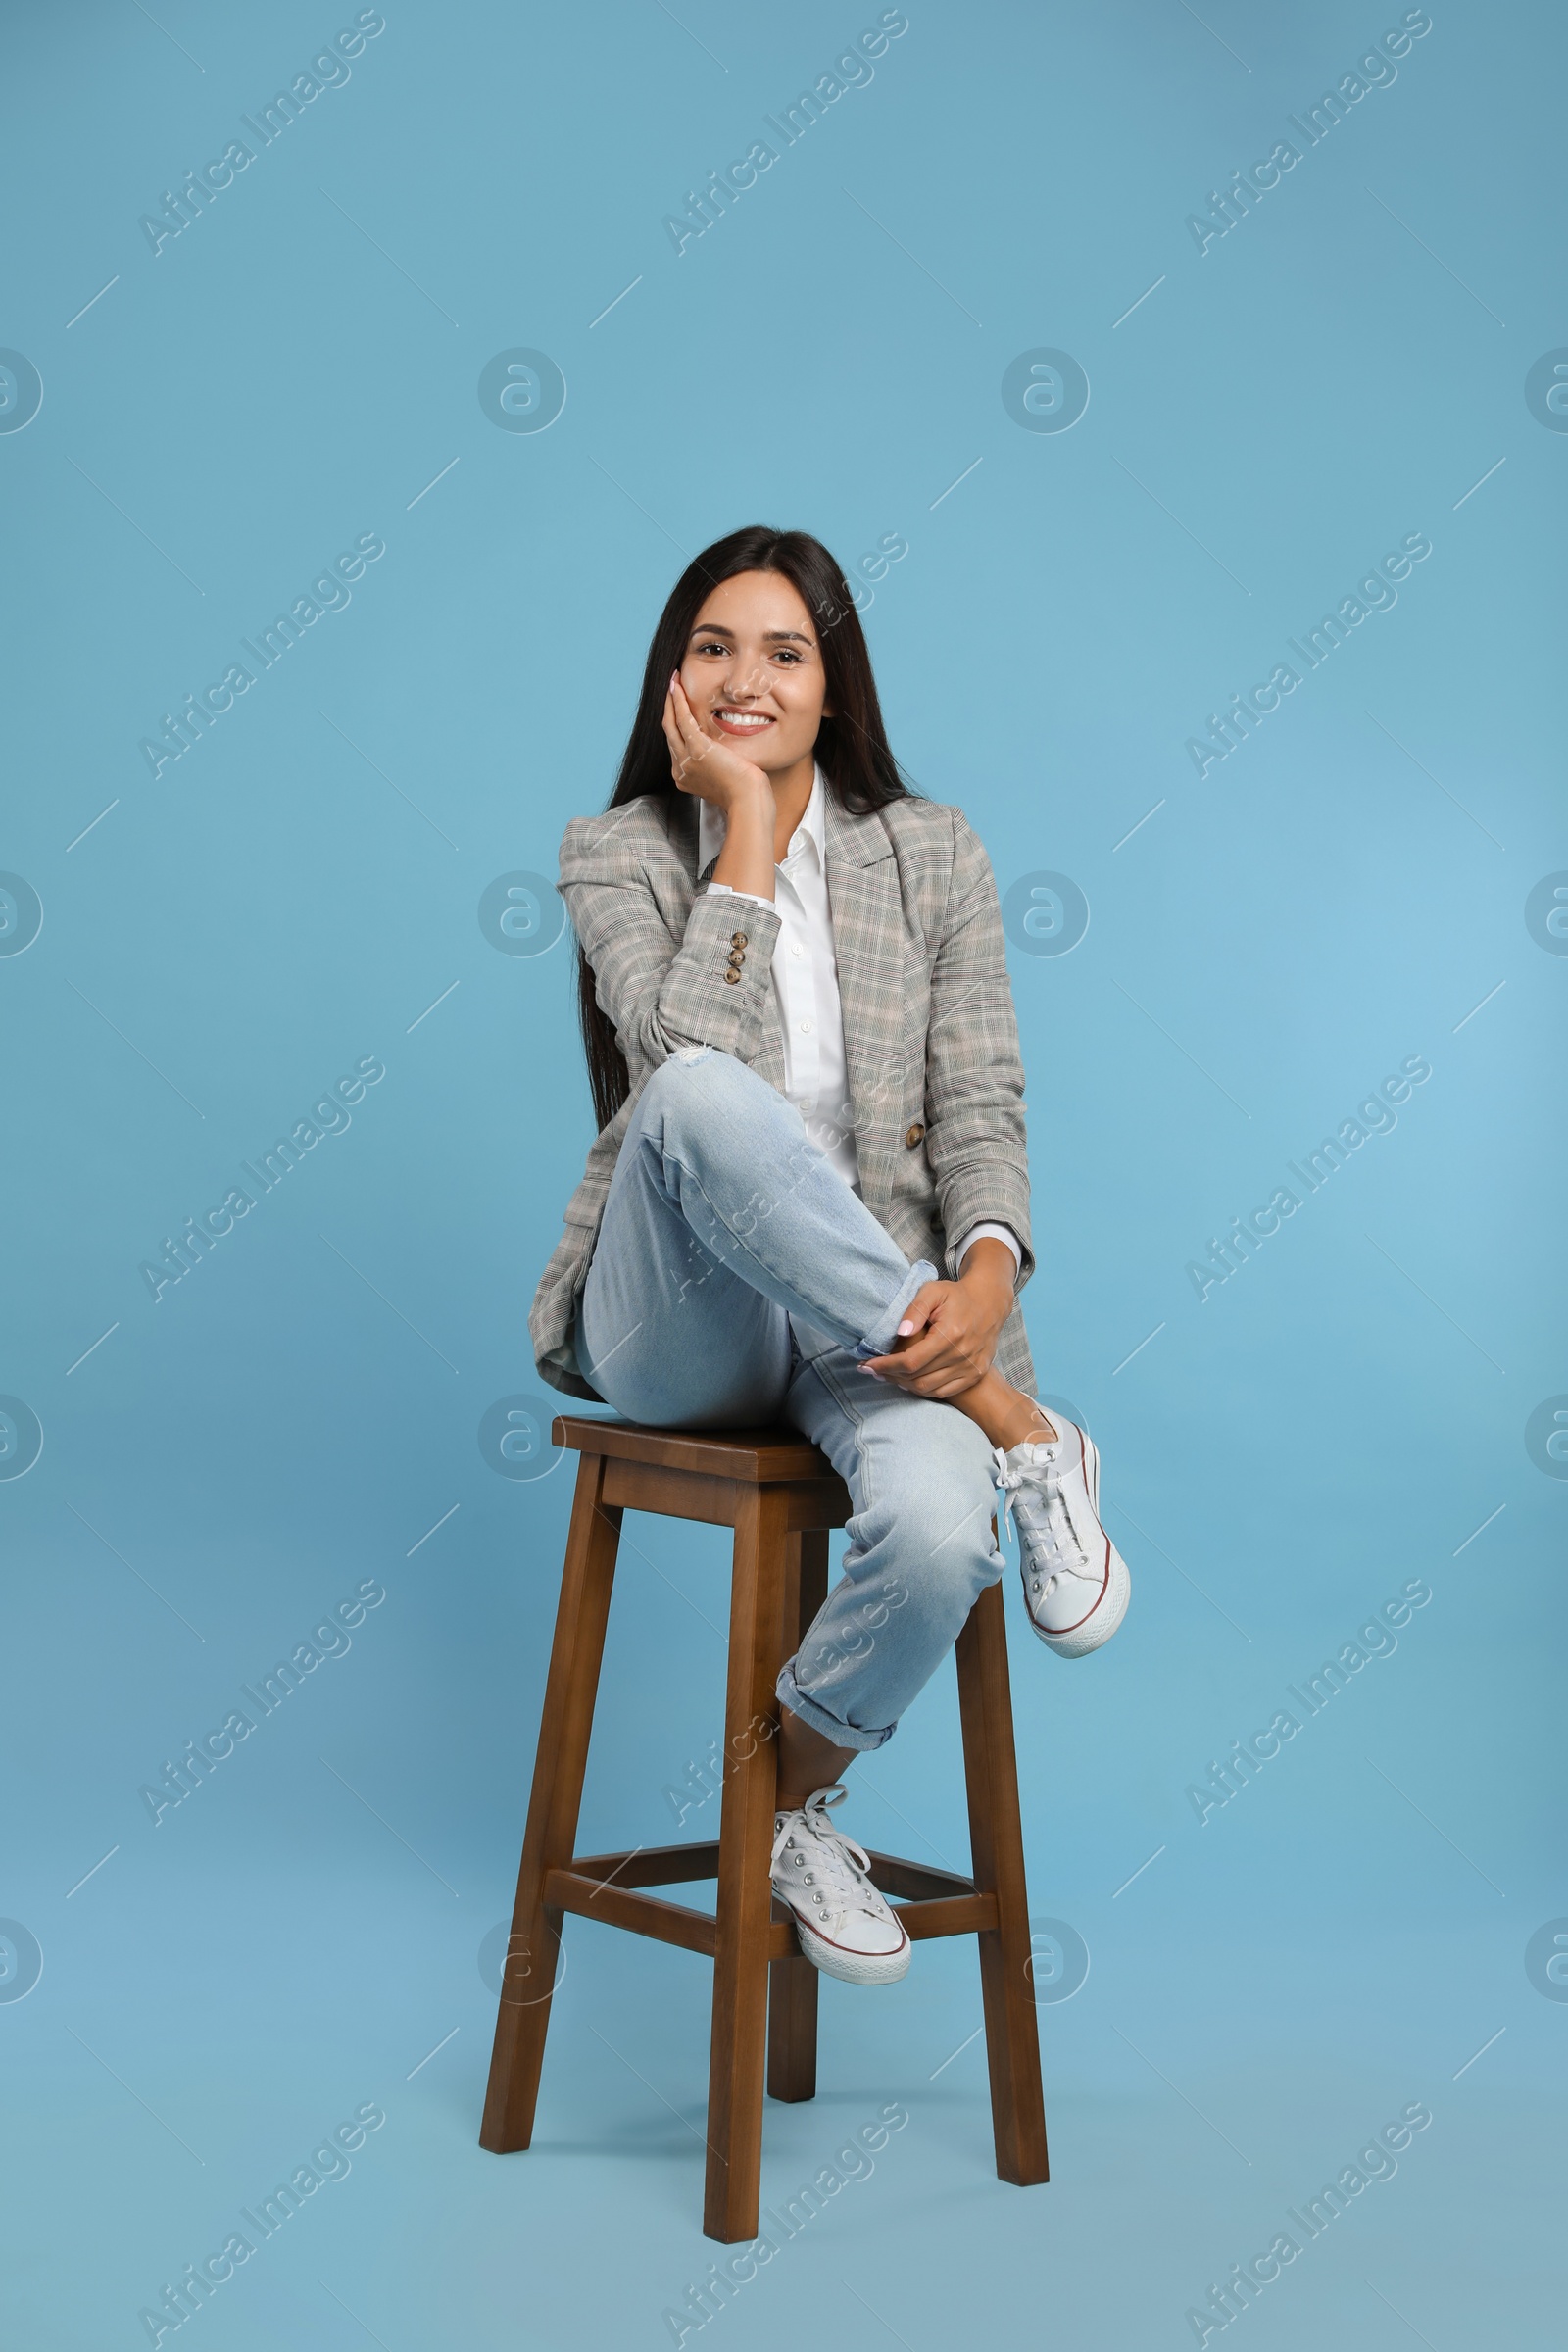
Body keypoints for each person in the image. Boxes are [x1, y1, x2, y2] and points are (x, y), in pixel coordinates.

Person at [531, 526, 1129, 1986]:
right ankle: (1027, 1434)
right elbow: (682, 1069)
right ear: (674, 680)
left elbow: (982, 1102)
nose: (748, 679)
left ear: (834, 684)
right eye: (715, 648)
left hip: (881, 1328)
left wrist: (985, 1282)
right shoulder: (614, 853)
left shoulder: (929, 852)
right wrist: (739, 821)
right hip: (681, 1323)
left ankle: (794, 1811)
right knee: (690, 1092)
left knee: (938, 1539)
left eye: (784, 652)